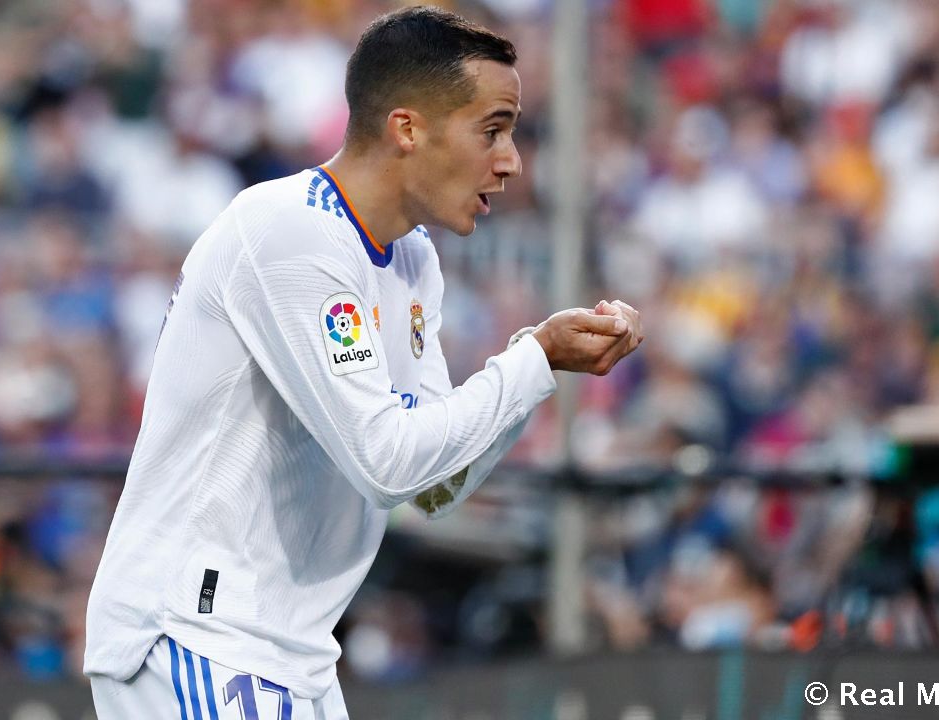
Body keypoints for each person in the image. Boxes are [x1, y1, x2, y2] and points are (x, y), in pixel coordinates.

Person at [84, 6, 643, 718]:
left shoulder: (411, 260)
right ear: (408, 128)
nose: (512, 160)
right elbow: (386, 464)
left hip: (290, 650)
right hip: (197, 636)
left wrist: (541, 365)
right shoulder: (290, 233)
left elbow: (434, 485)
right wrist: (533, 358)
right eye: (493, 130)